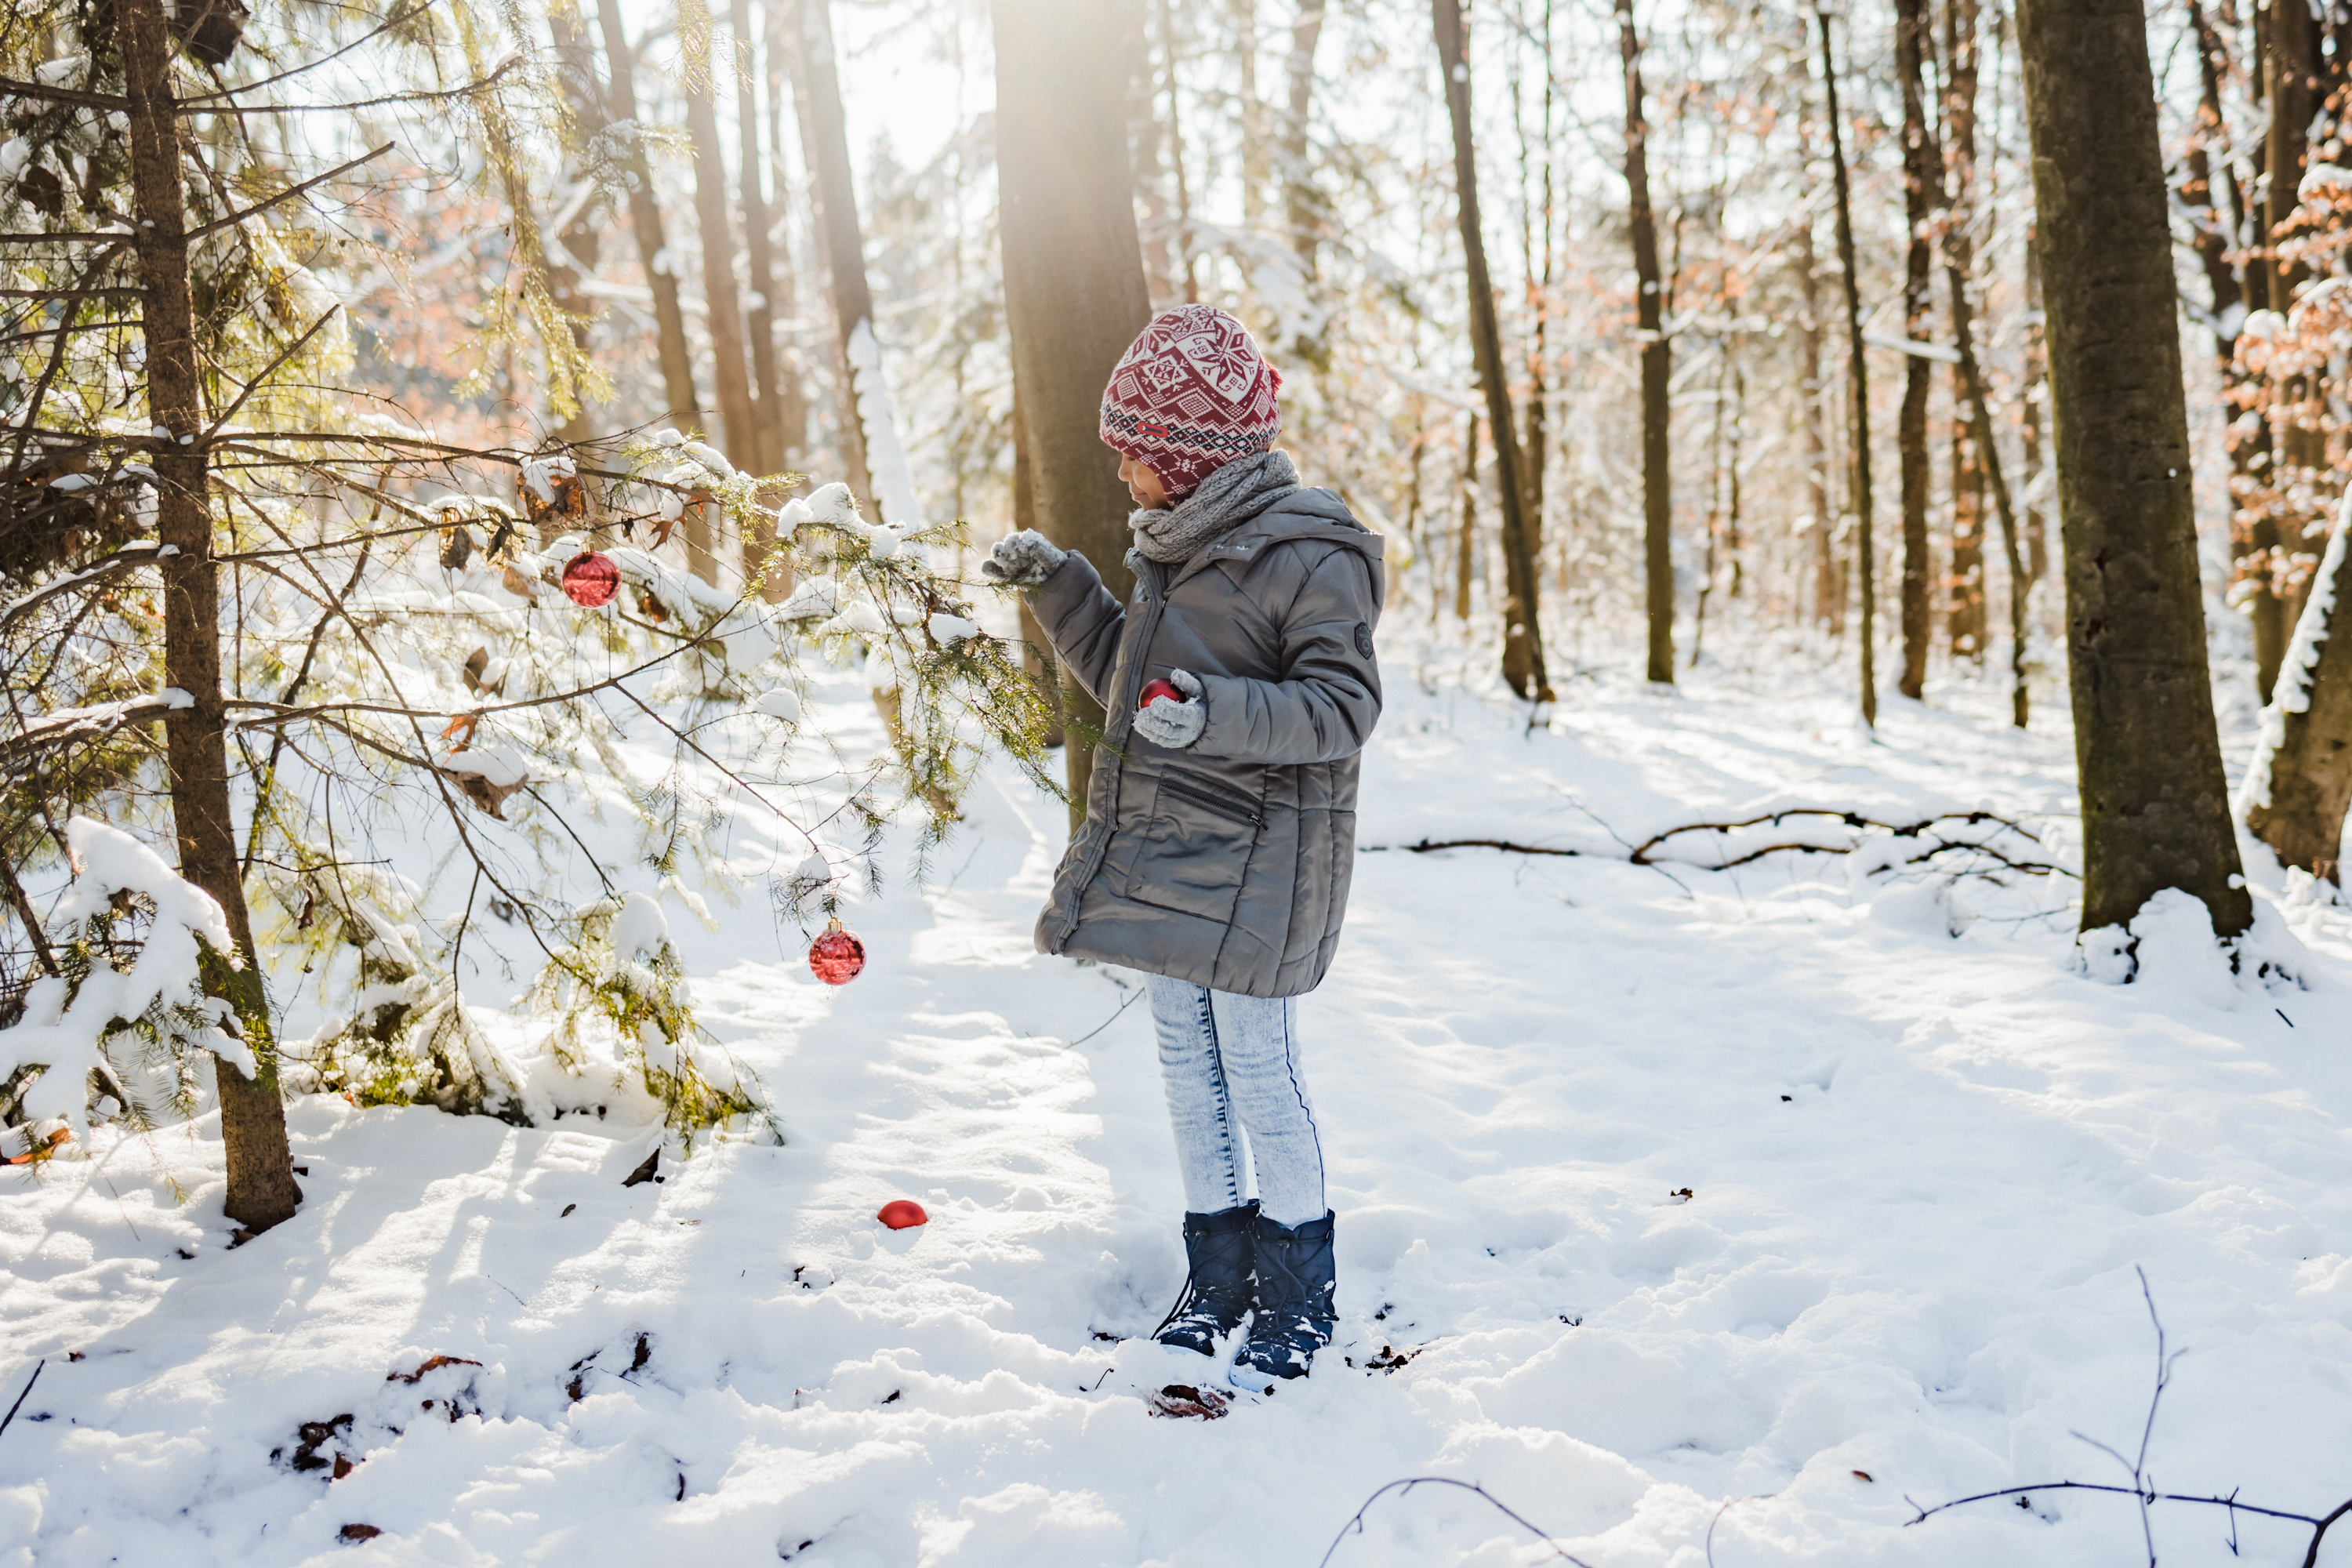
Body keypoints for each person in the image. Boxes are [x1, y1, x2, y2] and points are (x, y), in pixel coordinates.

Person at [982, 304, 1383, 1391]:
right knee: (1183, 1071)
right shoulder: (1177, 547)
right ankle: (1218, 1277)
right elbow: (1131, 682)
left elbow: (1341, 709)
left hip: (1263, 872)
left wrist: (1213, 717)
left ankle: (1301, 1294)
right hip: (1175, 857)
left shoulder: (1312, 555)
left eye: (1132, 450)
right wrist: (1062, 587)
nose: (1117, 468)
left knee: (1258, 1073)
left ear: (1189, 459)